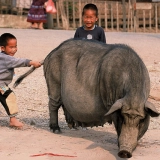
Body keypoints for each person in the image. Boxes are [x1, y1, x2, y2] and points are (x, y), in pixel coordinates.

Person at [0, 33, 41, 129]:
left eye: (15, 46)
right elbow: (18, 61)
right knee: (9, 96)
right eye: (11, 47)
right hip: (1, 85)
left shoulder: (2, 57)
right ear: (3, 48)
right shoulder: (6, 58)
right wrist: (31, 62)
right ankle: (13, 120)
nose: (14, 49)